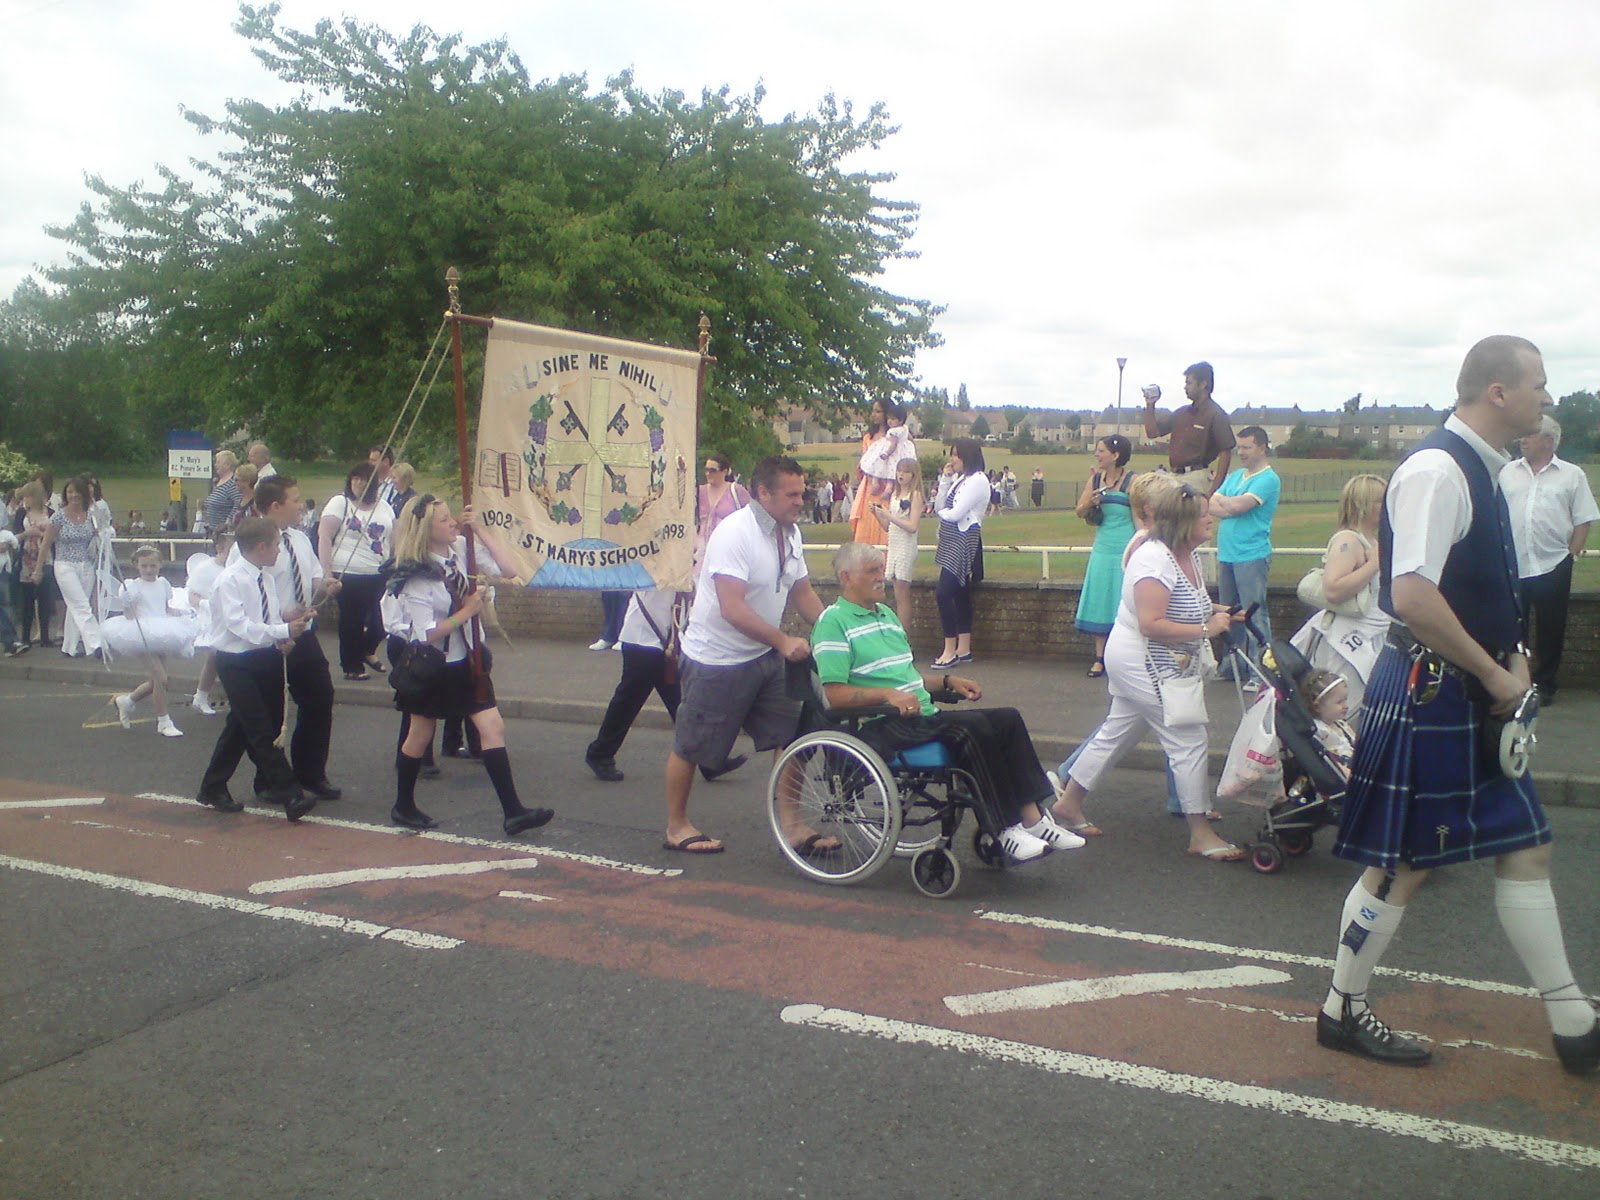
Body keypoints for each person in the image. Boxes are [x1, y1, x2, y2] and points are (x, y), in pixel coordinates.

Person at [1316, 334, 1597, 1075]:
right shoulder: (1437, 470)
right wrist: (1494, 676)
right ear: (1499, 392)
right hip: (1433, 690)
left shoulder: (1487, 467)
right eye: (1539, 383)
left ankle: (1573, 1020)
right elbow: (1411, 596)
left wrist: (1516, 655)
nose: (1548, 396)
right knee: (1403, 865)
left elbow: (1486, 585)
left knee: (1526, 846)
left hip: (1470, 690)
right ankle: (1341, 1009)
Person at [812, 542, 1085, 862]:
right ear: (846, 577)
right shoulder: (833, 622)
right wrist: (887, 695)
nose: (881, 577)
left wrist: (947, 681)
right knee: (972, 728)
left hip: (918, 715)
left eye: (881, 569)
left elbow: (906, 677)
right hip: (882, 723)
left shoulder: (886, 615)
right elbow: (835, 694)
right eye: (872, 571)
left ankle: (1033, 820)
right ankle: (1002, 828)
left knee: (1007, 719)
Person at [1049, 482, 1247, 859]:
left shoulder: (1186, 554)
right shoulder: (1154, 560)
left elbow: (1185, 602)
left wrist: (1220, 612)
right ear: (1181, 521)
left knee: (1119, 730)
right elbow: (1151, 623)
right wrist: (1207, 629)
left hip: (1154, 658)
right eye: (1203, 515)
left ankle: (1069, 802)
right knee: (1188, 737)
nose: (1211, 519)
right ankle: (1200, 833)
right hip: (1141, 659)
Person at [662, 455, 826, 854]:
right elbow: (731, 607)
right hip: (716, 660)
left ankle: (793, 826)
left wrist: (837, 634)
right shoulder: (735, 533)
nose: (800, 501)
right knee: (692, 745)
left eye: (802, 493)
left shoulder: (791, 533)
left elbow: (802, 592)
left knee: (791, 737)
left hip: (765, 655)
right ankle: (676, 826)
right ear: (763, 493)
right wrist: (783, 641)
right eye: (792, 494)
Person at [384, 494, 553, 836]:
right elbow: (425, 634)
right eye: (444, 520)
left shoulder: (462, 549)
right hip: (435, 666)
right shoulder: (416, 575)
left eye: (452, 517)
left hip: (468, 661)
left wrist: (481, 531)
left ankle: (513, 811)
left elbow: (508, 570)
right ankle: (403, 805)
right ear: (425, 530)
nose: (453, 523)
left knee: (493, 728)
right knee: (419, 735)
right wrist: (467, 611)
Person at [195, 516, 316, 820]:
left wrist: (282, 635)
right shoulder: (229, 581)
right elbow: (240, 627)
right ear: (261, 547)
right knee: (260, 729)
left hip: (264, 657)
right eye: (275, 545)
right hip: (235, 661)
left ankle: (213, 786)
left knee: (242, 726)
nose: (279, 550)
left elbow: (269, 617)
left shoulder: (266, 578)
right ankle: (290, 794)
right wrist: (281, 631)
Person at [242, 475, 342, 803]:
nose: (301, 506)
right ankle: (269, 780)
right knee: (271, 712)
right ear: (275, 506)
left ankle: (311, 772)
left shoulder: (299, 538)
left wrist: (326, 585)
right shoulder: (254, 543)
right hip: (271, 638)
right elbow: (246, 594)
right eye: (295, 500)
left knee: (320, 698)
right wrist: (279, 621)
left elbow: (312, 578)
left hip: (303, 634)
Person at [584, 589, 749, 783]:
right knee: (628, 702)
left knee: (682, 703)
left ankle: (708, 761)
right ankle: (600, 753)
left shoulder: (688, 572)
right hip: (642, 640)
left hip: (667, 642)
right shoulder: (657, 570)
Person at [1500, 414, 1598, 705]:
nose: (1522, 440)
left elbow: (1583, 519)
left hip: (1553, 563)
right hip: (1513, 563)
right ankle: (1515, 682)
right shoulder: (1506, 472)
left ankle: (1545, 685)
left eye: (1529, 435)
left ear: (1548, 441)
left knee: (1551, 629)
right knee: (1512, 626)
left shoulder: (1572, 475)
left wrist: (1570, 557)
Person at [1289, 474, 1389, 715]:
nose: (1387, 507)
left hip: (1374, 634)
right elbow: (1333, 589)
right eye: (1381, 501)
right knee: (1343, 710)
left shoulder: (1373, 541)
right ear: (1363, 504)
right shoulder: (1348, 540)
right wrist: (1374, 564)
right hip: (1346, 642)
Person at [1209, 425, 1280, 677]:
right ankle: (1233, 668)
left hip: (1252, 555)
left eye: (1247, 447)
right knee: (1229, 615)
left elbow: (1239, 506)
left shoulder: (1268, 479)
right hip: (1227, 554)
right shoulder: (1237, 475)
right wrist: (1228, 504)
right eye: (1239, 447)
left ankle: (1260, 671)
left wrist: (1227, 503)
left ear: (1262, 448)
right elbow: (1211, 503)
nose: (1241, 452)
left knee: (1254, 615)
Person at [319, 462, 396, 681]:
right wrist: (327, 573)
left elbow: (394, 538)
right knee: (352, 621)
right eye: (355, 478)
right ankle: (352, 666)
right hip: (348, 572)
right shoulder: (340, 503)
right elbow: (324, 536)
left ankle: (366, 649)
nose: (358, 483)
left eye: (363, 479)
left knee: (384, 617)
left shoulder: (384, 507)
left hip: (379, 571)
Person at [1073, 435, 1136, 679]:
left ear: (1115, 455)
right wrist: (1091, 501)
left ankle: (1125, 658)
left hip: (1124, 549)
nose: (1096, 454)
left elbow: (1140, 517)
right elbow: (1080, 512)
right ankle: (1099, 658)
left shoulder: (1133, 481)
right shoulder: (1095, 479)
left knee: (1124, 601)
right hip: (1102, 549)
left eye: (1101, 451)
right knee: (1101, 600)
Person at [111, 546, 190, 739]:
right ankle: (164, 722)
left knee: (155, 681)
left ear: (160, 564)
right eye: (144, 566)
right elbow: (129, 615)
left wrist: (182, 614)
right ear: (136, 565)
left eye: (152, 565)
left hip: (161, 631)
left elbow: (165, 608)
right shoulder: (132, 586)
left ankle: (127, 701)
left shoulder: (163, 583)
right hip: (141, 634)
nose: (148, 570)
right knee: (161, 678)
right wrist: (127, 602)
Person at [931, 438, 989, 670]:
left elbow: (955, 513)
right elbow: (940, 506)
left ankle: (950, 649)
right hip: (952, 538)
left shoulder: (978, 480)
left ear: (967, 456)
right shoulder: (960, 479)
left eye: (956, 455)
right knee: (960, 593)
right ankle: (963, 648)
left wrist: (942, 513)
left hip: (964, 538)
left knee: (944, 592)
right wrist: (945, 480)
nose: (952, 459)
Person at [1140, 364, 1235, 494]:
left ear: (1203, 384)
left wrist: (1213, 490)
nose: (1185, 387)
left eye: (1189, 383)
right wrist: (1150, 405)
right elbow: (1152, 433)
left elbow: (1226, 452)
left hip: (1196, 478)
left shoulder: (1216, 415)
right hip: (1174, 476)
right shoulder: (1181, 413)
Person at [39, 477, 103, 659]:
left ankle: (69, 646)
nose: (73, 495)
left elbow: (101, 533)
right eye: (69, 492)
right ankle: (96, 644)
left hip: (87, 564)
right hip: (65, 565)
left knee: (77, 605)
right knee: (82, 605)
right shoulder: (58, 516)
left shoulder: (91, 516)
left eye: (77, 492)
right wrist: (38, 569)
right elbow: (46, 544)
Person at [851, 400, 915, 545]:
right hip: (870, 487)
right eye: (873, 411)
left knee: (887, 526)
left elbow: (909, 459)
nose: (873, 415)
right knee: (867, 522)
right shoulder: (869, 437)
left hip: (890, 486)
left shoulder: (899, 435)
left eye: (878, 411)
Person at [185, 530, 234, 715]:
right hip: (213, 619)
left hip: (234, 617)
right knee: (215, 657)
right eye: (230, 549)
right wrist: (207, 605)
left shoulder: (237, 567)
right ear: (219, 548)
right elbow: (192, 596)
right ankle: (201, 696)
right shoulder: (206, 569)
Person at [870, 458, 923, 628]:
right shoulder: (894, 495)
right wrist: (877, 514)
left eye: (906, 471)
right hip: (893, 545)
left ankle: (904, 635)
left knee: (902, 594)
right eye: (899, 470)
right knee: (895, 592)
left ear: (913, 475)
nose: (901, 474)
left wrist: (889, 516)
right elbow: (887, 526)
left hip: (906, 547)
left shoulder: (915, 495)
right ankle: (899, 630)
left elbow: (912, 526)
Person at [692, 451, 751, 579]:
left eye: (713, 470)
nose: (708, 473)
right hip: (701, 555)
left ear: (724, 472)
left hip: (728, 551)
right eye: (706, 470)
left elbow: (752, 517)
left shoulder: (736, 491)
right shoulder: (699, 492)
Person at [15, 481, 53, 648]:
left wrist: (44, 536)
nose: (25, 500)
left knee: (45, 598)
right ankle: (25, 636)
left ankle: (45, 635)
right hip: (27, 558)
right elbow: (14, 536)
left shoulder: (50, 513)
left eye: (28, 496)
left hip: (46, 558)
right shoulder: (21, 513)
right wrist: (27, 533)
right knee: (27, 599)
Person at [1300, 669, 1355, 781]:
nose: (1346, 706)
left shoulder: (1339, 723)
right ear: (1317, 707)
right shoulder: (1319, 730)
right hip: (1345, 770)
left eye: (1345, 700)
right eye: (1339, 702)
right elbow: (1332, 761)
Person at [203, 451, 240, 535]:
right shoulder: (217, 483)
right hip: (212, 532)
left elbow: (238, 504)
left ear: (227, 465)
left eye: (218, 462)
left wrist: (228, 522)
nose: (215, 465)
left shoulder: (232, 483)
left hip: (223, 534)